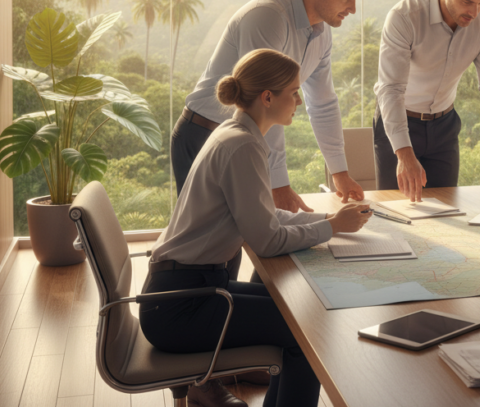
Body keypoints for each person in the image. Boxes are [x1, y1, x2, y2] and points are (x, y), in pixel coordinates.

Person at [141, 49, 372, 407]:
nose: (298, 100)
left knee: (302, 311)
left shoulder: (233, 134)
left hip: (182, 292)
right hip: (180, 309)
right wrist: (331, 229)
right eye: (293, 92)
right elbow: (266, 240)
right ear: (268, 97)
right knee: (307, 333)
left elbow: (264, 217)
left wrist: (329, 221)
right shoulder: (242, 146)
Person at [173, 0, 371, 214]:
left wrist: (340, 172)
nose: (353, 9)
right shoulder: (268, 17)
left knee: (235, 247)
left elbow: (323, 104)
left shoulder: (322, 35)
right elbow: (264, 103)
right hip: (204, 136)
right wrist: (279, 184)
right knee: (206, 246)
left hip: (244, 141)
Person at [374, 0, 480, 202]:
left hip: (444, 127)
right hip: (398, 123)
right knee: (396, 211)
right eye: (468, 2)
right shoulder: (405, 16)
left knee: (446, 211)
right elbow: (391, 89)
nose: (475, 12)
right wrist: (404, 155)